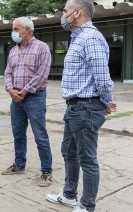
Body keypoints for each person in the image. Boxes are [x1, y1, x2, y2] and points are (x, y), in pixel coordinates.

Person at [46, 1, 116, 211]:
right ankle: (69, 195)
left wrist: (105, 102)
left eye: (66, 11)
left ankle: (87, 205)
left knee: (87, 159)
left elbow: (103, 78)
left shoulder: (90, 38)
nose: (63, 15)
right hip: (75, 108)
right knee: (68, 151)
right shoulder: (78, 38)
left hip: (86, 108)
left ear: (77, 13)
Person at [2, 17, 53, 187]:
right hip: (15, 98)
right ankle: (19, 165)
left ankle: (46, 171)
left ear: (27, 30)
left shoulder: (42, 48)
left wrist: (24, 91)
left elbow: (42, 74)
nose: (13, 32)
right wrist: (10, 90)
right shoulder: (13, 51)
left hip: (34, 97)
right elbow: (8, 72)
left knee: (40, 135)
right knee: (18, 134)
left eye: (16, 29)